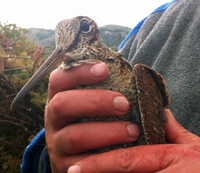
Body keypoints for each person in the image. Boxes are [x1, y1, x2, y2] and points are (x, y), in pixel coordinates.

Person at [21, 0, 200, 172]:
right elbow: (58, 154)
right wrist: (55, 161)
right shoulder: (153, 25)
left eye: (84, 28)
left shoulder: (136, 73)